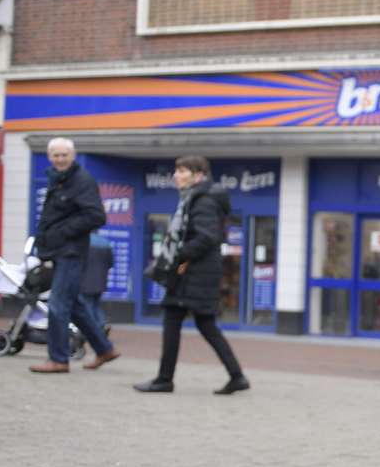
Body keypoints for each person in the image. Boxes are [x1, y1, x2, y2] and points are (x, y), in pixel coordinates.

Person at [133, 156, 249, 395]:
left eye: (182, 171)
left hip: (193, 272)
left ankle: (165, 379)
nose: (176, 175)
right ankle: (236, 376)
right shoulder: (194, 199)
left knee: (175, 320)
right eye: (176, 171)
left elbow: (206, 237)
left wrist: (179, 256)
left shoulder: (202, 201)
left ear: (199, 175)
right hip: (195, 272)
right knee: (205, 325)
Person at [31, 138, 118, 374]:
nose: (60, 159)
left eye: (64, 155)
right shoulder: (57, 180)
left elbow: (96, 216)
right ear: (49, 157)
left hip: (71, 251)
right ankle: (104, 349)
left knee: (58, 305)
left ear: (73, 156)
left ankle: (58, 359)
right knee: (75, 305)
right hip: (58, 251)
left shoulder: (81, 181)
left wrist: (62, 233)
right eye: (55, 155)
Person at [79, 232, 114, 336]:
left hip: (85, 281)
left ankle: (93, 329)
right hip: (101, 280)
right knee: (96, 304)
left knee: (88, 305)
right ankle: (102, 324)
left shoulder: (82, 243)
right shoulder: (105, 243)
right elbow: (110, 263)